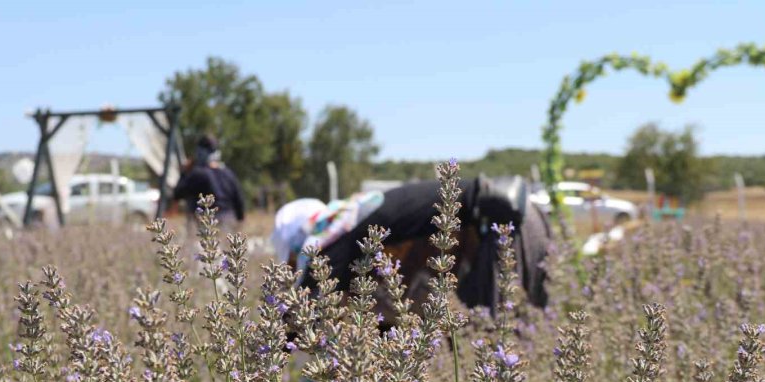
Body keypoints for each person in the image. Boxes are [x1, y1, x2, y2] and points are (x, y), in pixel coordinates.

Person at [285, 175, 551, 322]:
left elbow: (303, 314)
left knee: (491, 339)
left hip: (503, 224)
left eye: (289, 259)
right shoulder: (348, 217)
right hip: (524, 216)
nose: (289, 266)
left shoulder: (330, 247)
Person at [169, 135, 246, 234]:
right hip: (229, 222)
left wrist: (184, 172)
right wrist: (239, 225)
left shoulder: (197, 174)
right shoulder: (228, 173)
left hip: (205, 224)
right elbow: (239, 202)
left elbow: (178, 193)